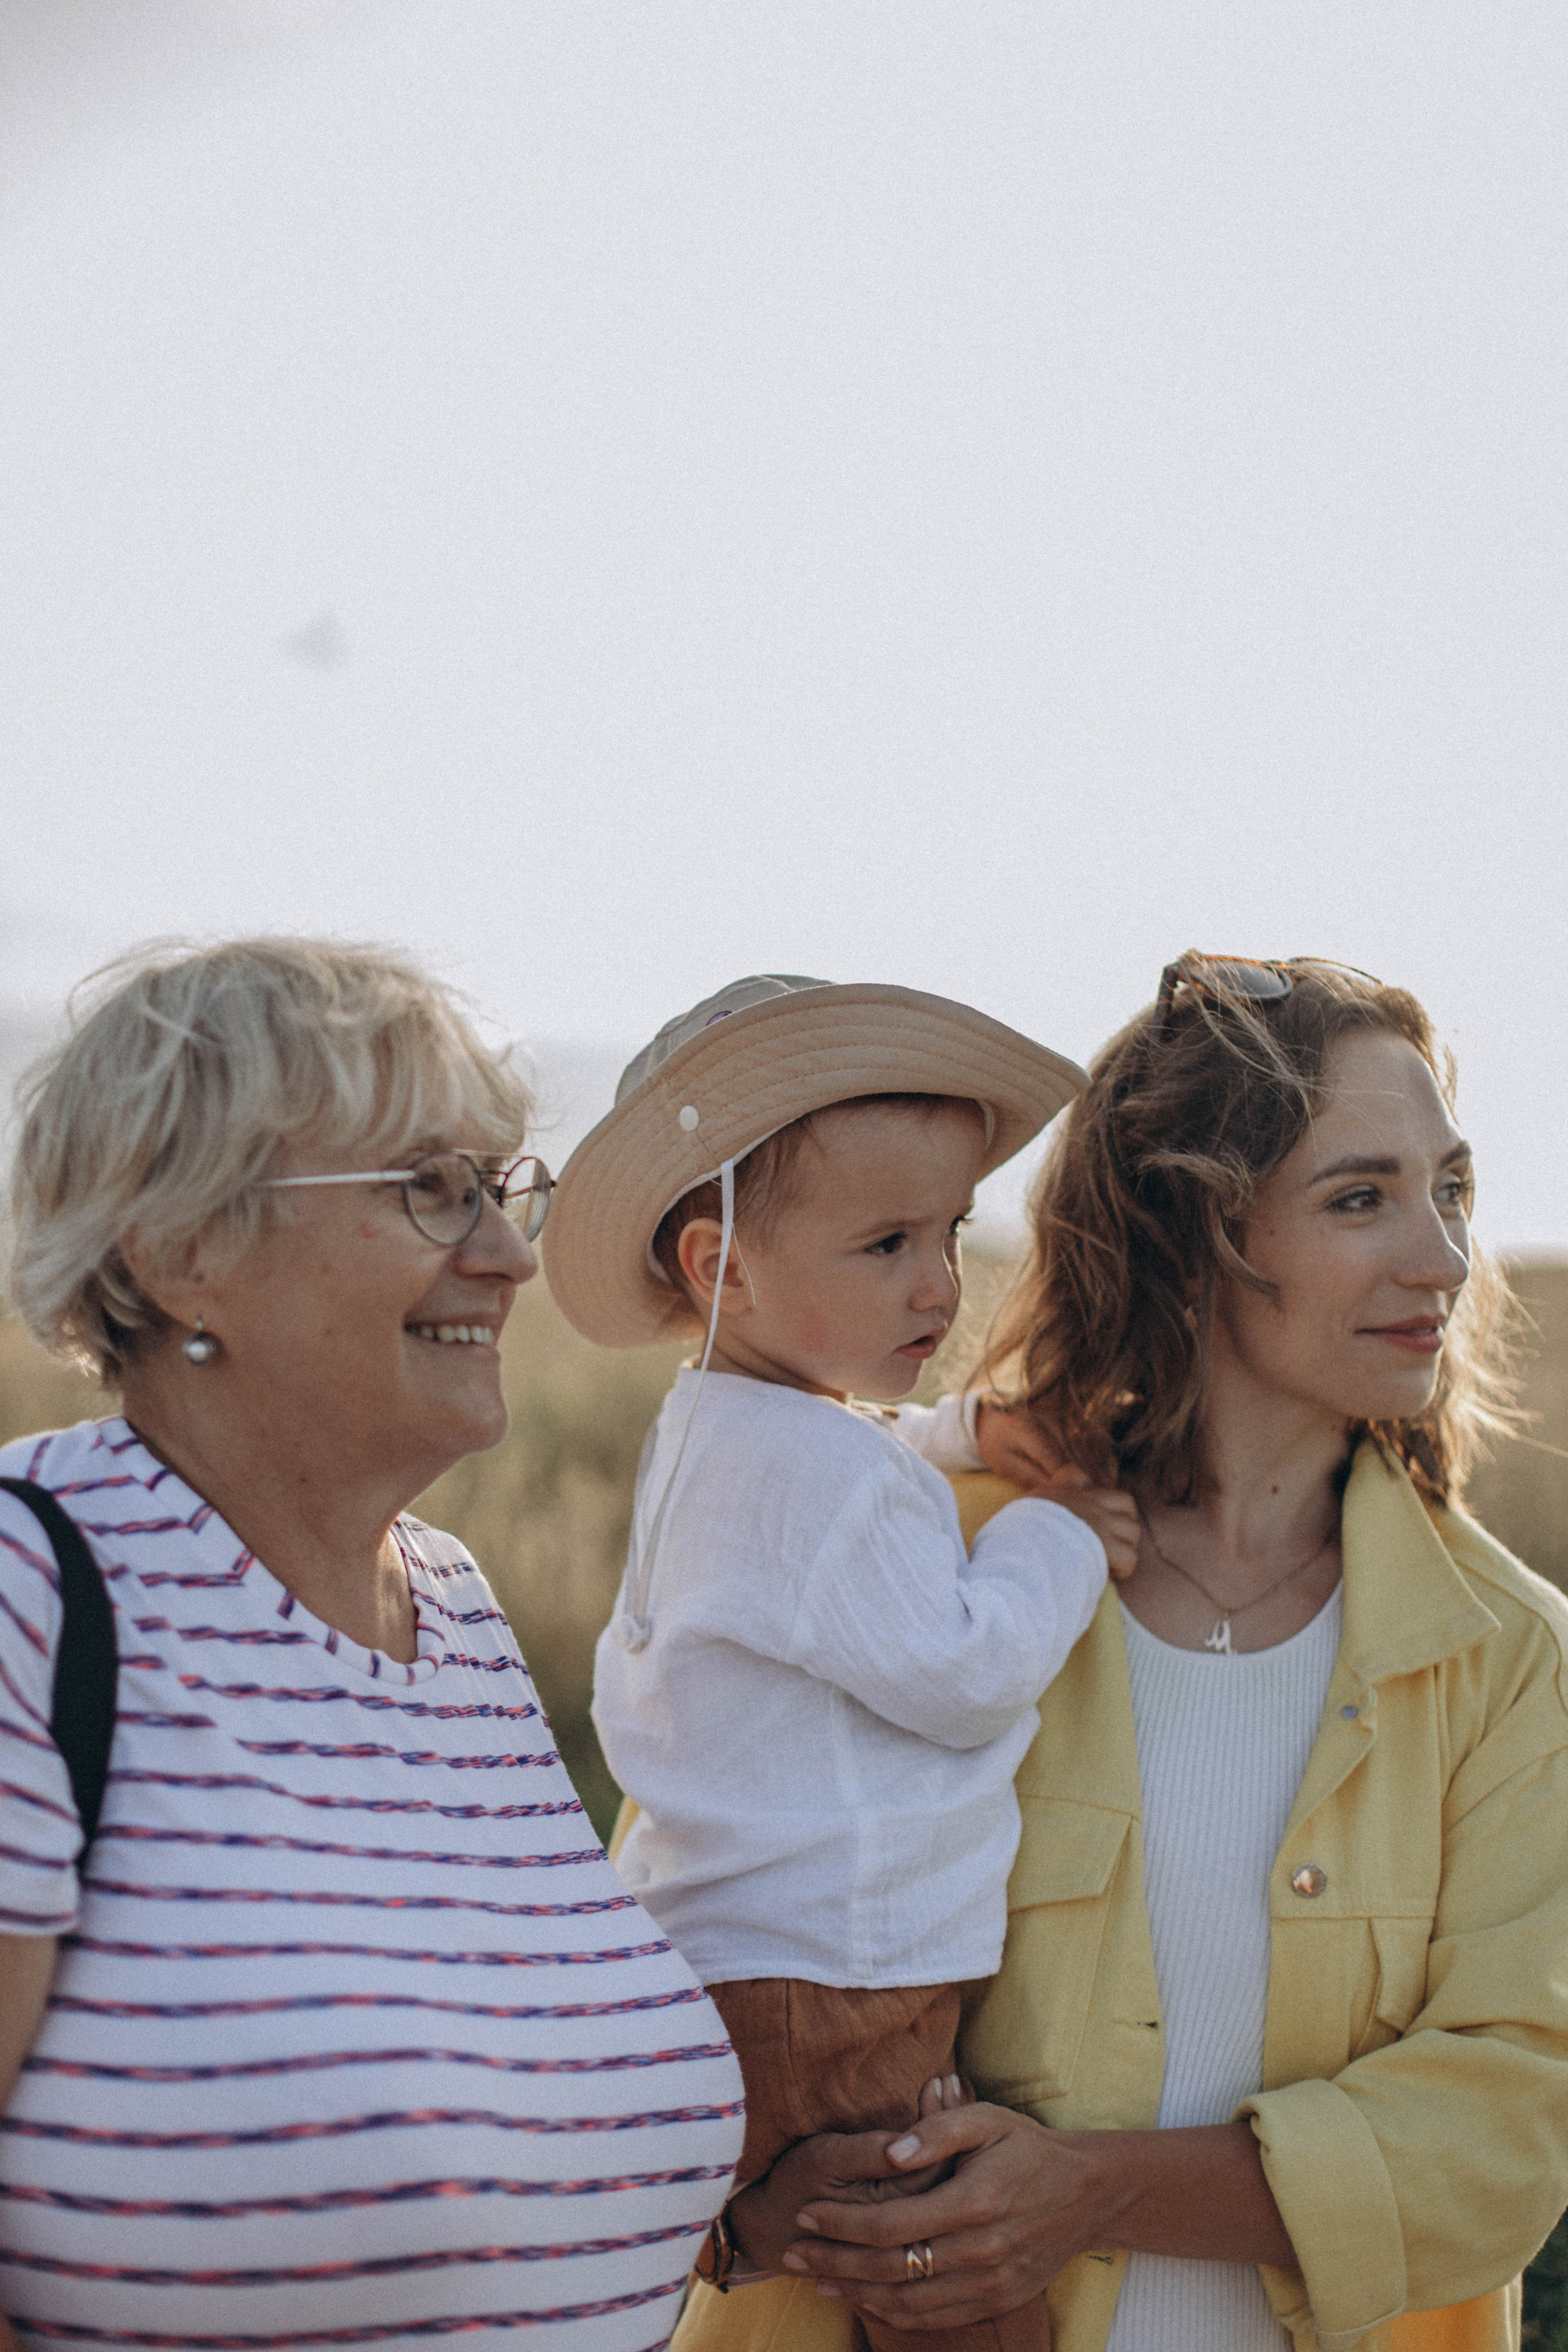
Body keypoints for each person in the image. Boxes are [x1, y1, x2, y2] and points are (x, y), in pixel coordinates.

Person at [671, 955, 1568, 2352]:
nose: (1442, 1260)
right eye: (1359, 1199)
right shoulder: (936, 1565)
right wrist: (748, 2210)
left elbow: (1508, 2128)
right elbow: (689, 1919)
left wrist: (1083, 2195)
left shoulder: (1511, 1657)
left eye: (1447, 1189)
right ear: (1194, 1231)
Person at [0, 938, 744, 2350]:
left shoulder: (456, 1614)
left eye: (499, 1186)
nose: (509, 1255)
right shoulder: (28, 1591)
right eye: (428, 1190)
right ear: (184, 1253)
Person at [543, 976, 1137, 2352]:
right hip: (836, 1978)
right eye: (882, 1244)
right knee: (950, 2294)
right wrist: (1054, 1537)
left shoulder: (717, 1426)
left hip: (737, 1956)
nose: (937, 1283)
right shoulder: (820, 1477)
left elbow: (848, 1468)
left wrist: (958, 1433)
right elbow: (964, 1667)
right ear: (722, 1270)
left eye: (947, 1232)